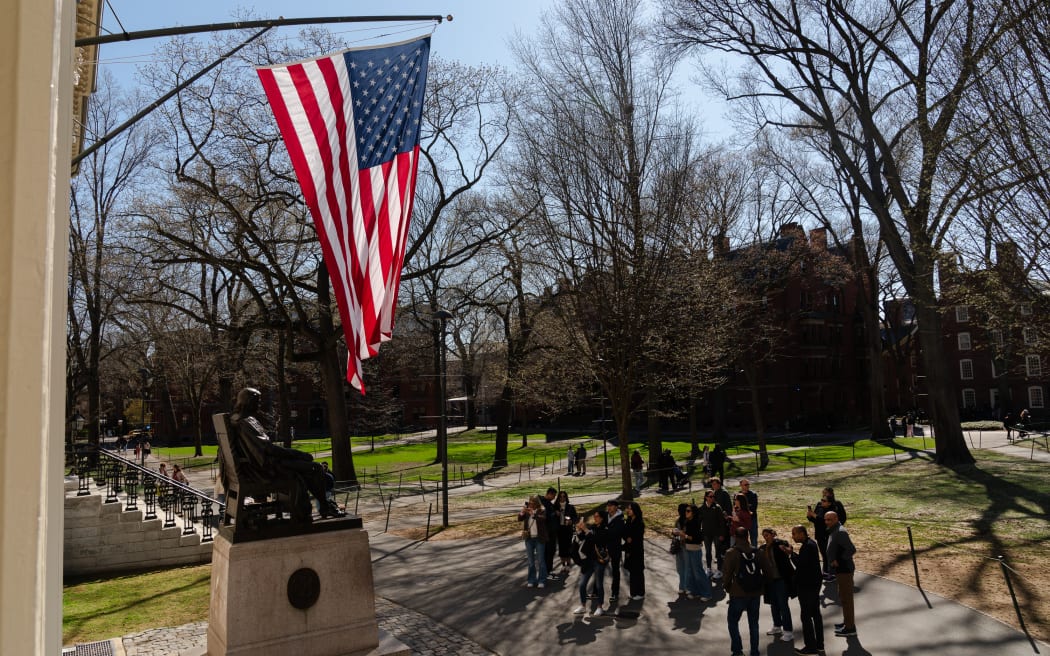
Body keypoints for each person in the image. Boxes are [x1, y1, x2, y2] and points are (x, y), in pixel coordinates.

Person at [229, 387, 344, 519]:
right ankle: (323, 508)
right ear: (249, 402)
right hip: (266, 468)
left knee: (308, 468)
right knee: (315, 467)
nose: (259, 405)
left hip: (260, 465)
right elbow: (268, 449)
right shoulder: (245, 422)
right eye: (257, 401)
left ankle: (318, 507)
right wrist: (298, 454)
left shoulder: (238, 419)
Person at [723, 526, 770, 656]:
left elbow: (726, 575)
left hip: (738, 593)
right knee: (754, 624)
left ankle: (737, 650)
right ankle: (754, 651)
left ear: (736, 537)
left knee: (733, 622)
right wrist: (761, 585)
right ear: (748, 536)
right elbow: (768, 572)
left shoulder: (731, 553)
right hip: (755, 593)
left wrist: (728, 588)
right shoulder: (758, 552)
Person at [789, 525, 824, 656]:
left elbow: (801, 564)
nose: (793, 536)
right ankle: (819, 645)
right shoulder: (811, 544)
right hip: (814, 585)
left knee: (806, 616)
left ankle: (810, 647)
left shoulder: (807, 546)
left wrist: (791, 554)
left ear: (801, 533)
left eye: (794, 533)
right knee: (816, 615)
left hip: (807, 586)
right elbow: (804, 561)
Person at [824, 510, 857, 638]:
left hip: (845, 571)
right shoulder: (834, 530)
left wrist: (839, 560)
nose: (827, 522)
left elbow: (851, 549)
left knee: (846, 600)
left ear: (836, 519)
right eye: (826, 519)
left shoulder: (840, 532)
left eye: (830, 519)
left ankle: (850, 628)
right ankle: (847, 623)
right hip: (840, 571)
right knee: (843, 598)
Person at [759, 528, 795, 642]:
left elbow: (789, 549)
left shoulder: (780, 544)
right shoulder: (762, 548)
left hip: (781, 580)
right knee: (773, 604)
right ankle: (777, 626)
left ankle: (788, 631)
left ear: (773, 534)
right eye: (764, 535)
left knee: (783, 605)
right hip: (770, 580)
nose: (766, 537)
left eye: (767, 535)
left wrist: (787, 550)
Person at [572, 510, 609, 616]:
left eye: (597, 516)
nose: (595, 518)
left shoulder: (605, 529)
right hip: (588, 560)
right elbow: (582, 539)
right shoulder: (592, 527)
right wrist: (579, 530)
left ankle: (600, 607)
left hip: (598, 560)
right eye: (594, 516)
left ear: (602, 518)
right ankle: (583, 606)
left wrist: (586, 530)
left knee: (599, 584)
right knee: (582, 584)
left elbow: (597, 540)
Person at [806, 487, 846, 580]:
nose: (823, 497)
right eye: (823, 494)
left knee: (830, 553)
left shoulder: (835, 506)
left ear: (831, 495)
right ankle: (825, 571)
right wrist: (810, 516)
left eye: (826, 494)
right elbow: (815, 519)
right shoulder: (819, 505)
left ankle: (832, 573)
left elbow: (840, 518)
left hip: (830, 534)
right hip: (820, 534)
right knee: (824, 553)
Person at [680, 503, 712, 601]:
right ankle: (694, 591)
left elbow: (695, 538)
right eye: (686, 511)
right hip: (688, 548)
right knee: (691, 572)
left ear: (693, 513)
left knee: (698, 572)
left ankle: (707, 594)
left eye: (688, 511)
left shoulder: (696, 523)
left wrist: (684, 535)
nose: (686, 512)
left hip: (695, 549)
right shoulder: (686, 521)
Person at [517, 495, 548, 588]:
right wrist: (522, 512)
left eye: (532, 503)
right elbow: (519, 519)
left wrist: (533, 514)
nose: (530, 504)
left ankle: (542, 580)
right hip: (529, 538)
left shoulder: (542, 510)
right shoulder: (527, 511)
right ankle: (531, 579)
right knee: (531, 561)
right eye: (530, 502)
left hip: (539, 538)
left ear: (536, 503)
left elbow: (543, 519)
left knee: (541, 560)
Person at [700, 488, 729, 575]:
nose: (712, 498)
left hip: (717, 534)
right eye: (710, 496)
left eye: (713, 496)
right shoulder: (701, 508)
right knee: (708, 552)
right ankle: (709, 568)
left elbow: (722, 522)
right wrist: (700, 535)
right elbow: (699, 522)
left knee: (718, 552)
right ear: (706, 497)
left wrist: (722, 534)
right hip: (706, 534)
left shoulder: (717, 507)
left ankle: (719, 569)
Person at [623, 501, 646, 599]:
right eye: (628, 508)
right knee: (632, 572)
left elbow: (637, 537)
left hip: (637, 550)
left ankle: (640, 593)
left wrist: (631, 538)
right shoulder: (628, 521)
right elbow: (625, 534)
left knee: (638, 571)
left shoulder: (639, 523)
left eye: (630, 509)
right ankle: (633, 593)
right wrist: (627, 538)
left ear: (635, 510)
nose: (628, 510)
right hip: (629, 549)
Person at [605, 498, 626, 602]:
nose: (609, 507)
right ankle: (595, 591)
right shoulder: (605, 516)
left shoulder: (620, 519)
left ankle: (615, 593)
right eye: (608, 505)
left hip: (615, 548)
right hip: (604, 547)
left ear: (616, 507)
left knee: (615, 571)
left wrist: (606, 530)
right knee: (598, 569)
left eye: (611, 506)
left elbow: (616, 533)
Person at [555, 490, 578, 574]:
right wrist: (555, 514)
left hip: (568, 530)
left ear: (566, 497)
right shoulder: (555, 507)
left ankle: (568, 565)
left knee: (568, 547)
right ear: (558, 497)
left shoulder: (570, 507)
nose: (562, 498)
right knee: (561, 548)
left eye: (564, 496)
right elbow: (551, 517)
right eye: (560, 496)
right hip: (559, 530)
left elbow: (575, 517)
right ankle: (563, 565)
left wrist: (571, 521)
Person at [541, 487, 560, 580]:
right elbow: (546, 517)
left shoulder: (550, 504)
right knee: (547, 552)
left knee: (551, 551)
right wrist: (554, 514)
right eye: (553, 496)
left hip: (552, 532)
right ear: (549, 494)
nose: (554, 498)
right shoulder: (542, 503)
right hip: (547, 532)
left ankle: (549, 569)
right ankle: (546, 571)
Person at [672, 503, 689, 594]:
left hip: (687, 546)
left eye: (680, 510)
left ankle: (687, 586)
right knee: (680, 567)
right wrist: (674, 532)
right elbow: (675, 531)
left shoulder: (689, 520)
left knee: (687, 567)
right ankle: (682, 586)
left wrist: (681, 534)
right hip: (679, 546)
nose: (679, 512)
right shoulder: (678, 520)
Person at [740, 479, 759, 546]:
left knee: (753, 538)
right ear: (741, 485)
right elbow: (736, 507)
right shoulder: (738, 495)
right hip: (742, 519)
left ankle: (755, 551)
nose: (747, 486)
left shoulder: (753, 495)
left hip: (752, 519)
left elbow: (753, 508)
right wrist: (748, 506)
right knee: (743, 538)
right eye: (746, 485)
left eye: (748, 484)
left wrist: (743, 506)